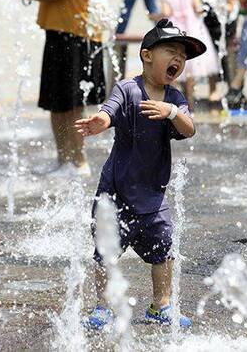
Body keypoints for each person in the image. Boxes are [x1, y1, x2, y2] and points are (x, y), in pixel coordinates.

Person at [75, 19, 205, 330]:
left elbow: (190, 128)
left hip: (153, 194)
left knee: (164, 249)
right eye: (171, 51)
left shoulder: (174, 99)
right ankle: (102, 306)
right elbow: (110, 109)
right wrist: (101, 121)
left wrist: (171, 113)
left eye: (182, 57)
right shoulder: (127, 88)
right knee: (106, 251)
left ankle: (161, 305)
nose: (178, 59)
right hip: (116, 190)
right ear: (147, 55)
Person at [0, 0, 106, 177]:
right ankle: (64, 160)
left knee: (71, 104)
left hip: (74, 33)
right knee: (58, 103)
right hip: (63, 32)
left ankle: (78, 161)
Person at [154, 0, 219, 111]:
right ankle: (190, 100)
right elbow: (198, 8)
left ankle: (175, 100)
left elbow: (166, 12)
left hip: (175, 31)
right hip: (193, 29)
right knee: (191, 68)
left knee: (173, 64)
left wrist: (154, 16)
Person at [185, 0, 237, 100]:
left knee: (220, 51)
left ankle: (225, 88)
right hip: (199, 18)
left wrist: (228, 7)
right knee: (200, 51)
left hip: (220, 18)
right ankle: (201, 87)